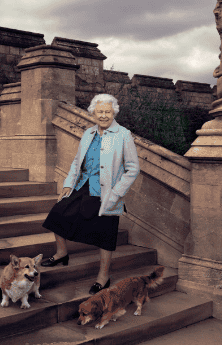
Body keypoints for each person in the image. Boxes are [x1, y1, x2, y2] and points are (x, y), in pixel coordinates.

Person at [41, 93, 140, 294]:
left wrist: (117, 193)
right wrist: (69, 184)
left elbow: (133, 168)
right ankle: (62, 253)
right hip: (83, 185)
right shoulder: (88, 133)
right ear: (93, 112)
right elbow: (77, 161)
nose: (103, 115)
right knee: (57, 213)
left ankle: (103, 277)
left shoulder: (123, 135)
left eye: (107, 112)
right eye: (100, 111)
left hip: (107, 193)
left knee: (105, 233)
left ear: (114, 113)